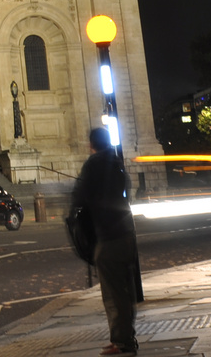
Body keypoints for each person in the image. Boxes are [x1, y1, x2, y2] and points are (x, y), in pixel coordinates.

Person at [73, 126, 138, 355]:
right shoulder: (117, 162)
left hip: (108, 235)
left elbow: (80, 196)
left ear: (92, 145)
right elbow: (126, 193)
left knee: (113, 293)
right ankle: (123, 338)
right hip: (125, 231)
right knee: (124, 289)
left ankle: (123, 343)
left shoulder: (94, 164)